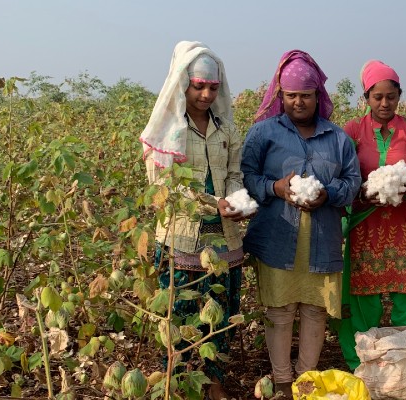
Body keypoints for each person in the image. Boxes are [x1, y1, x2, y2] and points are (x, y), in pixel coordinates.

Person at [241, 50, 361, 394]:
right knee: (279, 310)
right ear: (281, 96)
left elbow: (352, 181)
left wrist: (329, 194)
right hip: (277, 235)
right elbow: (246, 175)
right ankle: (281, 380)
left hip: (322, 238)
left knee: (314, 310)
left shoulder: (337, 138)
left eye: (305, 96)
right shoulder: (263, 133)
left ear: (317, 97)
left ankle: (305, 379)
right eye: (291, 95)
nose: (298, 102)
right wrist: (275, 187)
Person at [140, 41, 247, 400]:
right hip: (181, 237)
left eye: (212, 87)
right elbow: (162, 187)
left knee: (221, 313)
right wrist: (210, 202)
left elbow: (234, 173)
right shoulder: (167, 131)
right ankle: (183, 381)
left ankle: (214, 381)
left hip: (224, 237)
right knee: (182, 313)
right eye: (198, 86)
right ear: (182, 83)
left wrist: (233, 198)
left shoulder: (226, 129)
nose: (205, 94)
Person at [337, 60, 406, 370]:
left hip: (404, 224)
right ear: (366, 98)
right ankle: (363, 364)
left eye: (390, 97)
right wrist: (362, 194)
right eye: (377, 97)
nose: (384, 103)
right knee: (364, 296)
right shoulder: (352, 130)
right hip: (365, 223)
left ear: (399, 96)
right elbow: (342, 175)